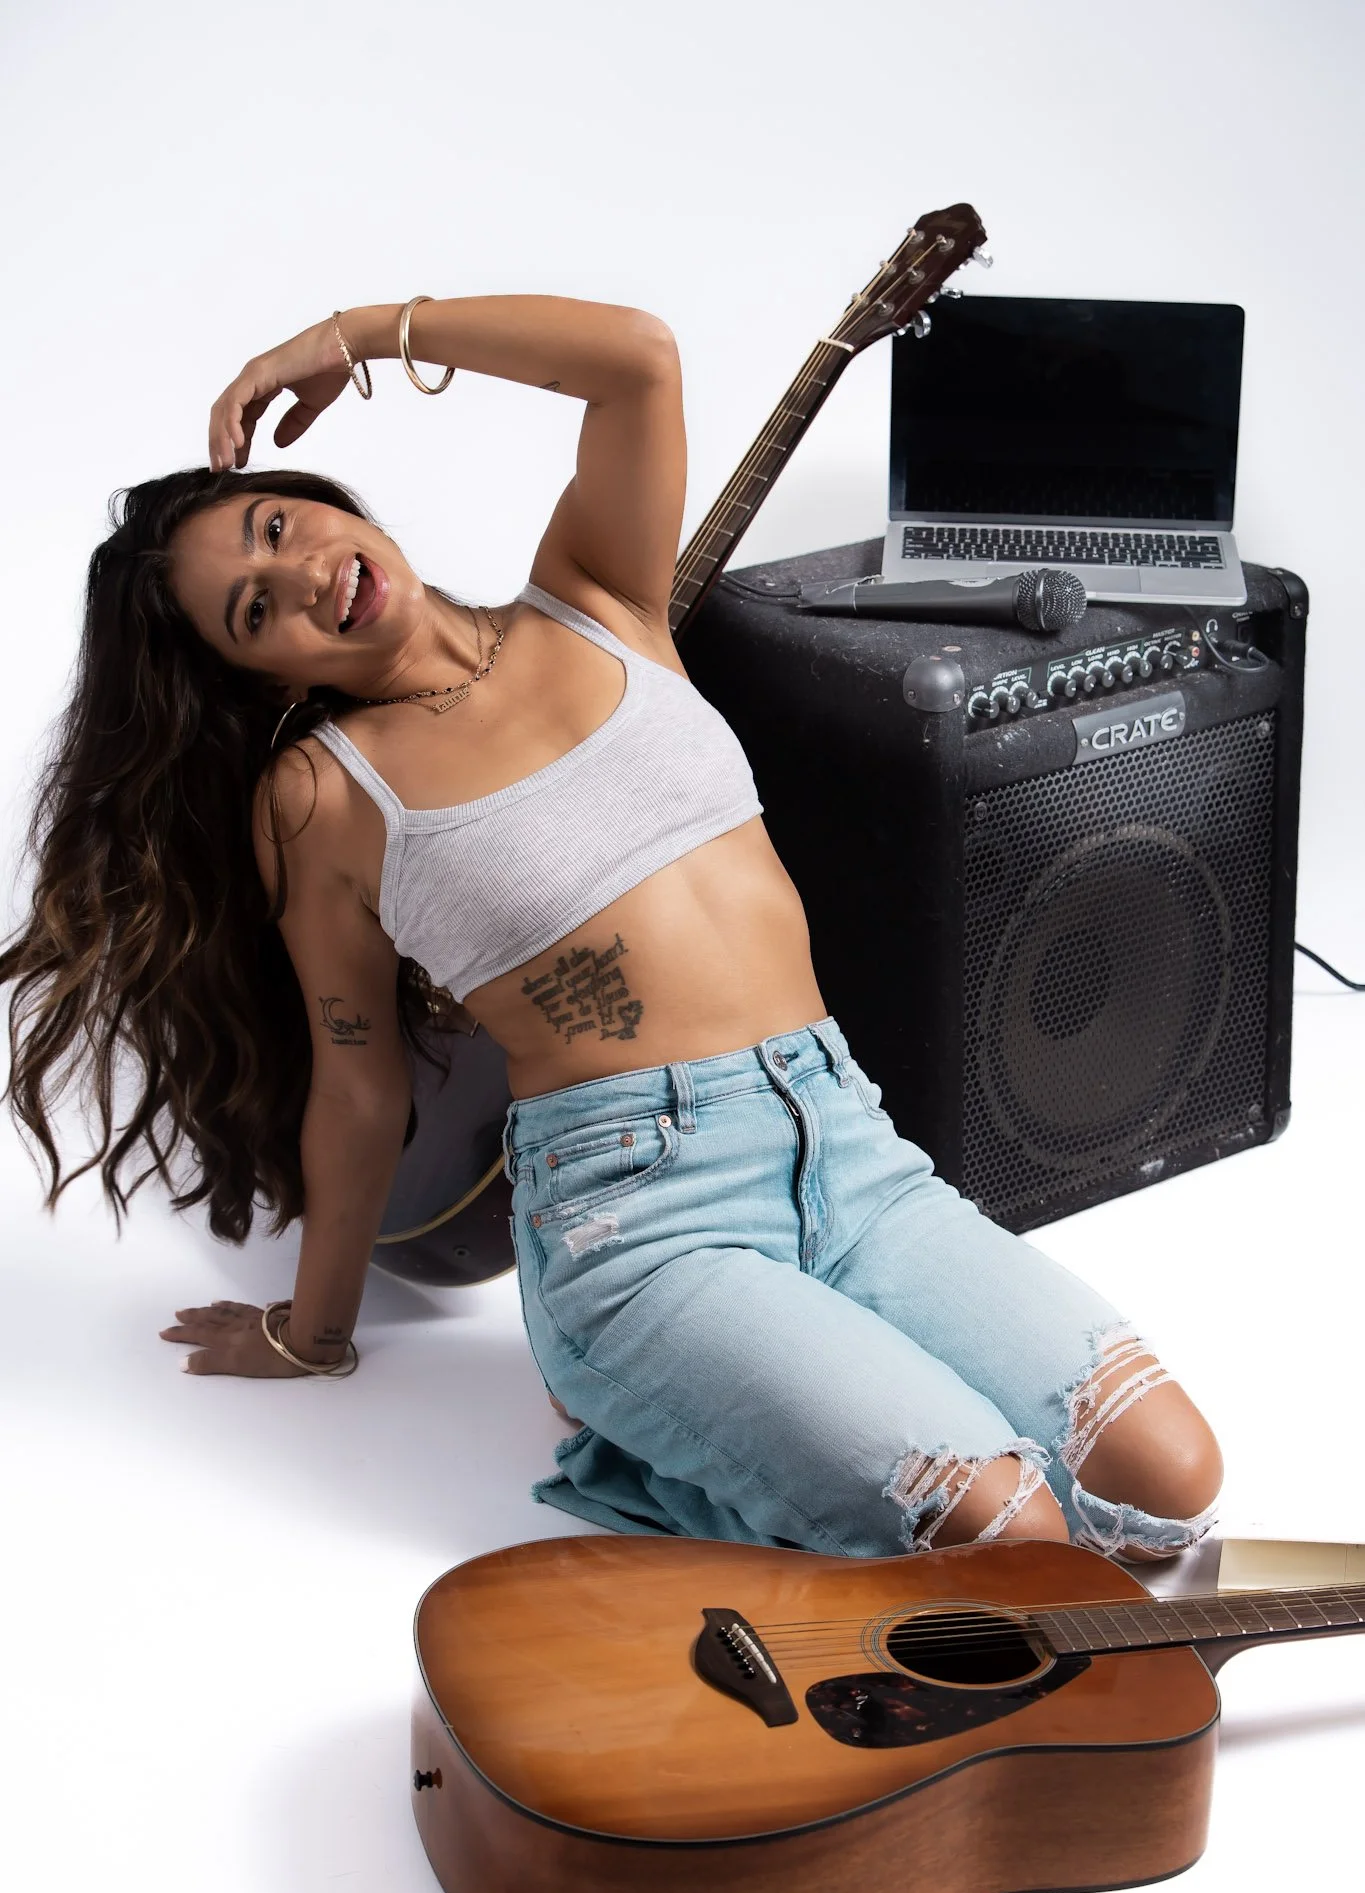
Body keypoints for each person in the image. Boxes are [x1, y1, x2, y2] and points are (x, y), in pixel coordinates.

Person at [1, 294, 1223, 1560]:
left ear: (323, 495)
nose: (302, 573)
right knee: (1009, 1538)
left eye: (275, 524)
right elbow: (357, 1083)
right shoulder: (325, 796)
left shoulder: (595, 598)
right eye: (254, 610)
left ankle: (738, 1396)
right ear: (263, 675)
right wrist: (314, 1332)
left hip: (849, 1146)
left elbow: (637, 360)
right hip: (635, 1219)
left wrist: (350, 337)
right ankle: (636, 1404)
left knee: (1170, 1480)